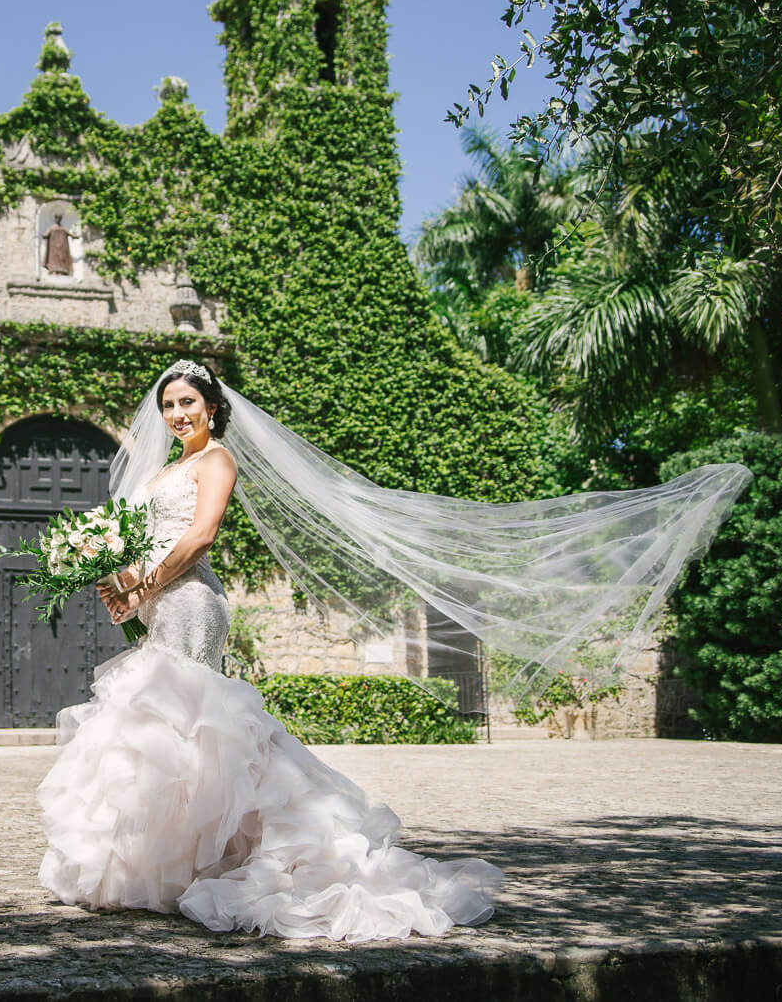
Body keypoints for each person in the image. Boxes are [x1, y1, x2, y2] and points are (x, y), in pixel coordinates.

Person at [36, 360, 504, 941]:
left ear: (210, 407)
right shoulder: (161, 471)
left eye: (188, 403)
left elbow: (200, 535)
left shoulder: (216, 461)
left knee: (197, 722)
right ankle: (159, 863)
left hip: (192, 603)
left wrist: (142, 583)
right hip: (158, 602)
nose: (178, 415)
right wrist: (123, 585)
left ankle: (234, 855)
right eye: (169, 406)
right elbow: (149, 541)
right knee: (157, 727)